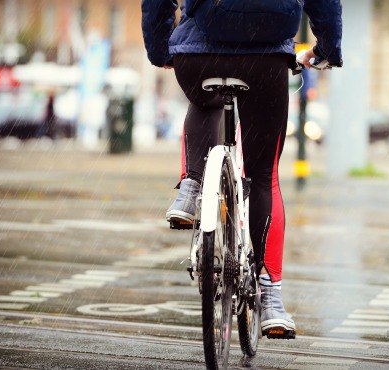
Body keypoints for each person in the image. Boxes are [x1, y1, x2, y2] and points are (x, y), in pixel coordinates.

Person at [142, 0, 342, 336]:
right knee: (264, 179)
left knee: (204, 95)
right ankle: (271, 300)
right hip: (266, 61)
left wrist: (160, 48)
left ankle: (191, 189)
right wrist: (327, 48)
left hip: (199, 56)